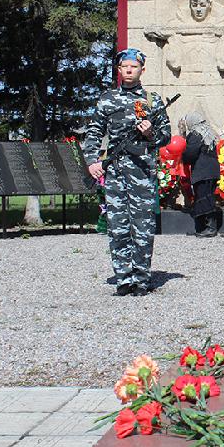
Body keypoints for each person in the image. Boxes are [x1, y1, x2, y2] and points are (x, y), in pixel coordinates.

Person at [83, 48, 171, 296]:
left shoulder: (152, 101)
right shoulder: (107, 99)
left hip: (142, 172)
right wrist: (92, 160)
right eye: (125, 67)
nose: (129, 70)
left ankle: (141, 279)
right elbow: (94, 133)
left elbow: (166, 137)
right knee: (117, 226)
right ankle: (123, 278)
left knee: (142, 226)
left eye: (134, 66)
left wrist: (149, 133)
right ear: (119, 70)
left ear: (142, 70)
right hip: (115, 173)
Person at [179, 111, 222, 238]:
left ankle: (210, 228)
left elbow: (190, 154)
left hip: (203, 171)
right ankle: (203, 227)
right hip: (212, 171)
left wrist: (182, 156)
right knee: (206, 197)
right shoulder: (208, 133)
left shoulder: (196, 134)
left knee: (204, 198)